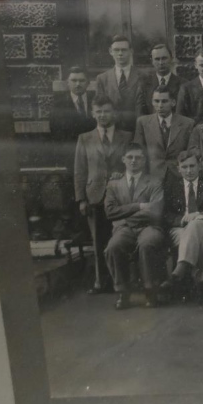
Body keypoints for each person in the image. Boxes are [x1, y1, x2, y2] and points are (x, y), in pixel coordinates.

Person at [73, 96, 131, 294]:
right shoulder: (84, 138)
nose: (103, 115)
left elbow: (136, 163)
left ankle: (124, 282)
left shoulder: (126, 137)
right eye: (99, 112)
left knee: (121, 239)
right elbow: (80, 170)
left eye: (107, 111)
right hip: (94, 196)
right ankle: (101, 282)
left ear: (114, 113)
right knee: (98, 241)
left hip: (121, 196)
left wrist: (123, 174)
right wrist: (81, 199)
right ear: (93, 113)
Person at [103, 143, 166, 310]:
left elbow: (155, 211)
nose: (133, 161)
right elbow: (109, 212)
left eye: (138, 157)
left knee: (146, 244)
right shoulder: (114, 184)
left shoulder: (154, 182)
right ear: (123, 159)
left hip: (149, 227)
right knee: (113, 247)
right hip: (124, 229)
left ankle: (150, 290)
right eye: (130, 157)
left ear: (144, 160)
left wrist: (124, 215)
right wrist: (138, 207)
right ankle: (123, 292)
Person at [162, 151, 203, 303]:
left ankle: (180, 268)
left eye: (192, 166)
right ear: (178, 169)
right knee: (202, 242)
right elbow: (166, 213)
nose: (189, 170)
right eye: (184, 167)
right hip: (180, 227)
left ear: (199, 166)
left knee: (195, 225)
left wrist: (199, 214)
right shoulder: (172, 187)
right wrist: (181, 220)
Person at [48, 66, 96, 238]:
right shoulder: (59, 107)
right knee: (74, 195)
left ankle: (95, 231)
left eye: (81, 80)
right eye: (74, 80)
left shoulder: (95, 102)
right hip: (71, 159)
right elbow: (56, 137)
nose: (78, 84)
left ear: (88, 83)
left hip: (94, 158)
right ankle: (79, 232)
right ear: (68, 83)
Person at [133, 85, 195, 183]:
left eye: (164, 101)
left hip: (179, 177)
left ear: (173, 102)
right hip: (152, 177)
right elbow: (139, 152)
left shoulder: (188, 123)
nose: (160, 105)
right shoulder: (143, 122)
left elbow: (191, 152)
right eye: (156, 101)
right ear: (152, 102)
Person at [92, 34, 143, 132]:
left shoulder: (142, 76)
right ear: (111, 51)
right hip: (112, 131)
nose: (120, 53)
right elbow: (100, 108)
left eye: (124, 50)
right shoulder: (102, 78)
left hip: (136, 130)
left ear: (131, 51)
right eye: (116, 50)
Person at [139, 43, 183, 115]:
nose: (161, 62)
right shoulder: (144, 85)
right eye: (157, 59)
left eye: (164, 58)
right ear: (152, 61)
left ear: (171, 58)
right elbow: (141, 114)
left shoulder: (183, 84)